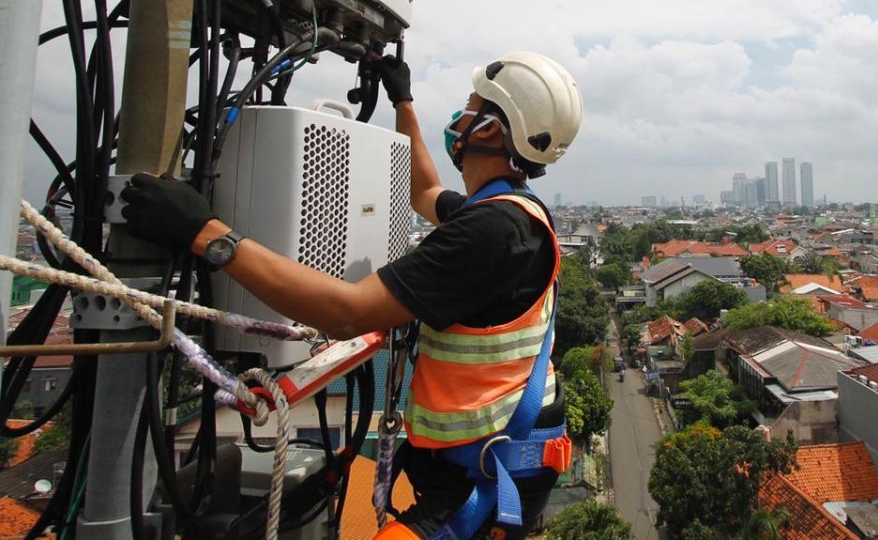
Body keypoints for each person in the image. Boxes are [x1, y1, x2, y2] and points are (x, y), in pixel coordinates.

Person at [121, 51, 583, 540]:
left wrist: (205, 234)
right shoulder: (508, 212)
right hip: (495, 460)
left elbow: (346, 314)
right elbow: (423, 190)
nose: (459, 118)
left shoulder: (492, 229)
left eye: (470, 106)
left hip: (487, 477)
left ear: (489, 129)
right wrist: (402, 100)